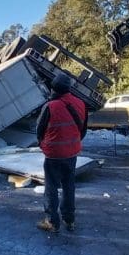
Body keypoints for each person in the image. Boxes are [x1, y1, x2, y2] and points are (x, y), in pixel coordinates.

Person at [36, 73, 88, 233]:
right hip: (71, 153)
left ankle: (52, 221)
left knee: (51, 187)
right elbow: (83, 129)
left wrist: (43, 144)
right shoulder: (81, 103)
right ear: (69, 88)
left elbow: (39, 129)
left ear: (53, 88)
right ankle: (69, 220)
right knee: (69, 185)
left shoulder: (50, 106)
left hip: (53, 154)